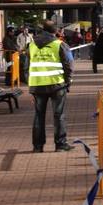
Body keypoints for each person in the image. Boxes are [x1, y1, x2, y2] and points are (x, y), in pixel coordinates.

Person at [29, 19, 74, 152]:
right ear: (54, 31)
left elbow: (26, 65)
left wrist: (31, 82)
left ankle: (37, 147)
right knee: (58, 115)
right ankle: (60, 144)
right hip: (57, 85)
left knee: (38, 115)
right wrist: (68, 81)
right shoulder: (60, 44)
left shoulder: (31, 45)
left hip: (37, 85)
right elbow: (69, 65)